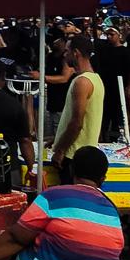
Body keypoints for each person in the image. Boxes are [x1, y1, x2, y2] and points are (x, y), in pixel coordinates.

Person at [50, 44, 105, 172]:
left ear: (76, 52)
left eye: (67, 51)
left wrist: (61, 150)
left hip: (73, 154)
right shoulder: (95, 79)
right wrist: (59, 139)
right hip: (84, 151)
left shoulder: (82, 82)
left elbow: (77, 122)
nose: (64, 55)